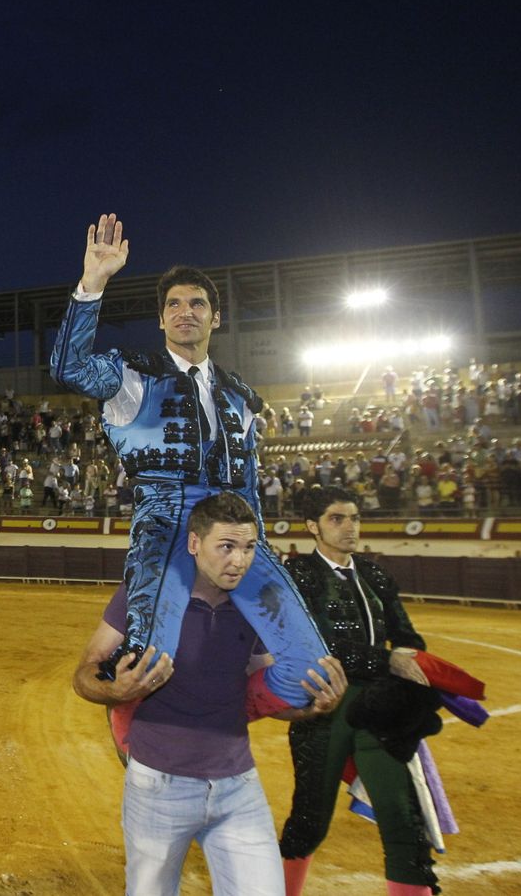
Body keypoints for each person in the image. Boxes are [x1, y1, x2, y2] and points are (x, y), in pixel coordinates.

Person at [50, 213, 326, 707]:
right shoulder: (132, 375)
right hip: (167, 526)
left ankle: (222, 717)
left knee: (311, 674)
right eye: (173, 304)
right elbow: (67, 367)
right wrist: (93, 283)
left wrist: (256, 543)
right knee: (148, 661)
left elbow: (248, 480)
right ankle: (140, 734)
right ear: (160, 319)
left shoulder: (241, 395)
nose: (185, 312)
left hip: (236, 527)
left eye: (197, 303)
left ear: (214, 318)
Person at [72, 492, 345, 896]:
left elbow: (261, 695)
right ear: (195, 544)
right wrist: (114, 688)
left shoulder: (256, 605)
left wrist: (313, 705)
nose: (240, 560)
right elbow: (84, 673)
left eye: (250, 547)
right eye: (227, 546)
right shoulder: (146, 593)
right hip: (158, 785)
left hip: (237, 782)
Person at [279, 486, 441, 895]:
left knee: (404, 820)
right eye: (337, 518)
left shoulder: (375, 574)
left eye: (354, 518)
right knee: (309, 821)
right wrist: (387, 661)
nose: (350, 527)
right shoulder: (298, 576)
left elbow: (408, 637)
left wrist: (405, 656)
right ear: (312, 526)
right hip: (323, 708)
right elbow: (315, 644)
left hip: (379, 710)